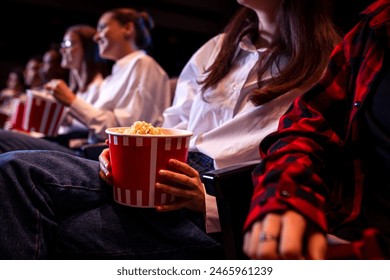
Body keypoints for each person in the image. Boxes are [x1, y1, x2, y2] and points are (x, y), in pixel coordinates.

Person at [0, 0, 341, 259]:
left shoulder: (326, 62)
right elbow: (169, 125)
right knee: (14, 168)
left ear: (129, 28)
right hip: (168, 167)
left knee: (35, 193)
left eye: (105, 28)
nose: (64, 53)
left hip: (220, 191)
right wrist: (123, 150)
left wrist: (210, 204)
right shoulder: (219, 47)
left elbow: (302, 162)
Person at [243, 0, 390, 260]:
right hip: (344, 238)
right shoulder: (371, 29)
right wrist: (286, 193)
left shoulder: (311, 54)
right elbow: (305, 123)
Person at [0, 8, 171, 154]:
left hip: (109, 158)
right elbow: (102, 124)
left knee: (5, 140)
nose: (97, 38)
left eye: (102, 27)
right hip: (92, 151)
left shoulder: (142, 64)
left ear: (127, 28)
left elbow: (128, 133)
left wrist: (71, 102)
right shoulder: (116, 74)